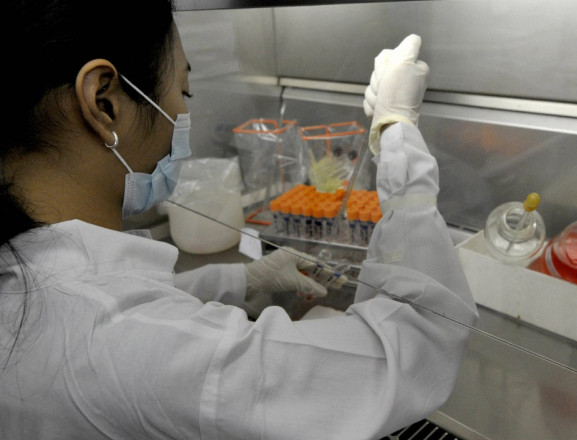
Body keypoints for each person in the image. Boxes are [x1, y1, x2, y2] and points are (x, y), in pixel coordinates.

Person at [0, 1, 478, 439]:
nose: (183, 113)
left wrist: (243, 279)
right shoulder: (131, 346)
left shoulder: (26, 275)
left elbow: (110, 302)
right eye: (182, 90)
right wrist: (397, 134)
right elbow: (419, 342)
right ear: (104, 103)